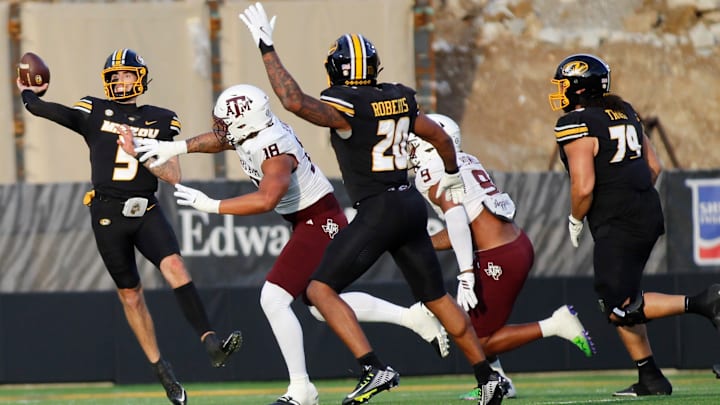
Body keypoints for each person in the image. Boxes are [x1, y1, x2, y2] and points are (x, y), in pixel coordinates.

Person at [240, 3, 507, 405]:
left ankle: (373, 367)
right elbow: (437, 135)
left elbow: (294, 101)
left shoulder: (346, 105)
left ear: (337, 69)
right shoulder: (398, 97)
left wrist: (266, 47)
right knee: (437, 297)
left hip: (379, 209)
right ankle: (488, 376)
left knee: (318, 290)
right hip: (410, 205)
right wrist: (451, 172)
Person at [123, 83, 450, 405]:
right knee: (319, 306)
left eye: (225, 122)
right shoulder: (252, 132)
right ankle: (411, 318)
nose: (219, 128)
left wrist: (213, 205)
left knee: (274, 298)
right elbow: (224, 140)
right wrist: (177, 148)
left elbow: (267, 199)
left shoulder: (274, 149)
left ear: (244, 123)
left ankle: (302, 388)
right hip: (310, 218)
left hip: (318, 220)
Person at [16, 48, 242, 405]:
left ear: (140, 76)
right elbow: (44, 110)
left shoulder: (162, 118)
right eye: (114, 75)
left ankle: (210, 341)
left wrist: (140, 151)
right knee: (131, 294)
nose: (120, 80)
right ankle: (161, 370)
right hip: (108, 213)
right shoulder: (93, 111)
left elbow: (172, 175)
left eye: (125, 74)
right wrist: (29, 92)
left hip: (147, 209)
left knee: (175, 266)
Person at [548, 53, 720, 397]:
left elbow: (583, 186)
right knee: (622, 299)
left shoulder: (575, 124)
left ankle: (706, 301)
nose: (560, 91)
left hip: (618, 221)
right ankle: (651, 378)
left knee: (617, 305)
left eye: (564, 84)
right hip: (645, 212)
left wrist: (575, 219)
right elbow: (653, 167)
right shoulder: (624, 112)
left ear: (580, 88)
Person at [407, 113, 597, 400]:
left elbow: (458, 220)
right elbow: (470, 223)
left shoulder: (431, 171)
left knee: (476, 339)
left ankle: (555, 324)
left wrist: (466, 273)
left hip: (499, 256)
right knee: (475, 324)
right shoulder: (466, 159)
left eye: (415, 142)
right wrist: (422, 243)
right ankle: (501, 381)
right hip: (513, 245)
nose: (409, 148)